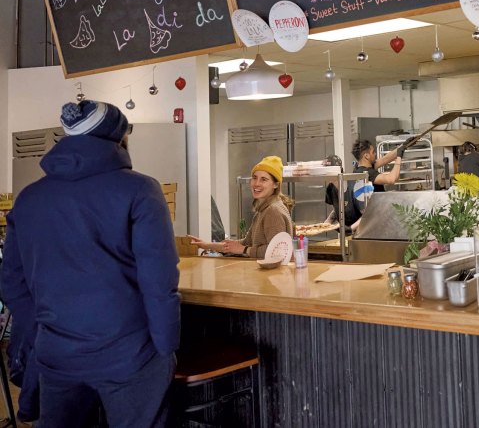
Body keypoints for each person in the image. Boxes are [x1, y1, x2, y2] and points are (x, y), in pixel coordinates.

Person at [0, 100, 179, 428]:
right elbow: (159, 281)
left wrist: (43, 331)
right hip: (129, 354)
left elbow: (11, 281)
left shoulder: (28, 197)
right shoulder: (141, 189)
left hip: (56, 354)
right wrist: (166, 347)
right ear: (119, 139)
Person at [190, 155, 293, 259]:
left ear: (276, 185)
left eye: (264, 179)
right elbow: (246, 243)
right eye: (254, 178)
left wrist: (244, 250)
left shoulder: (273, 211)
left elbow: (278, 252)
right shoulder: (262, 210)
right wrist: (205, 245)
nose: (257, 183)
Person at [346, 139, 404, 228]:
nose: (375, 154)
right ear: (366, 156)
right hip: (375, 219)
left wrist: (402, 147)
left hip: (370, 218)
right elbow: (391, 179)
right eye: (373, 152)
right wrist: (399, 158)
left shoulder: (358, 169)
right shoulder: (368, 173)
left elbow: (385, 159)